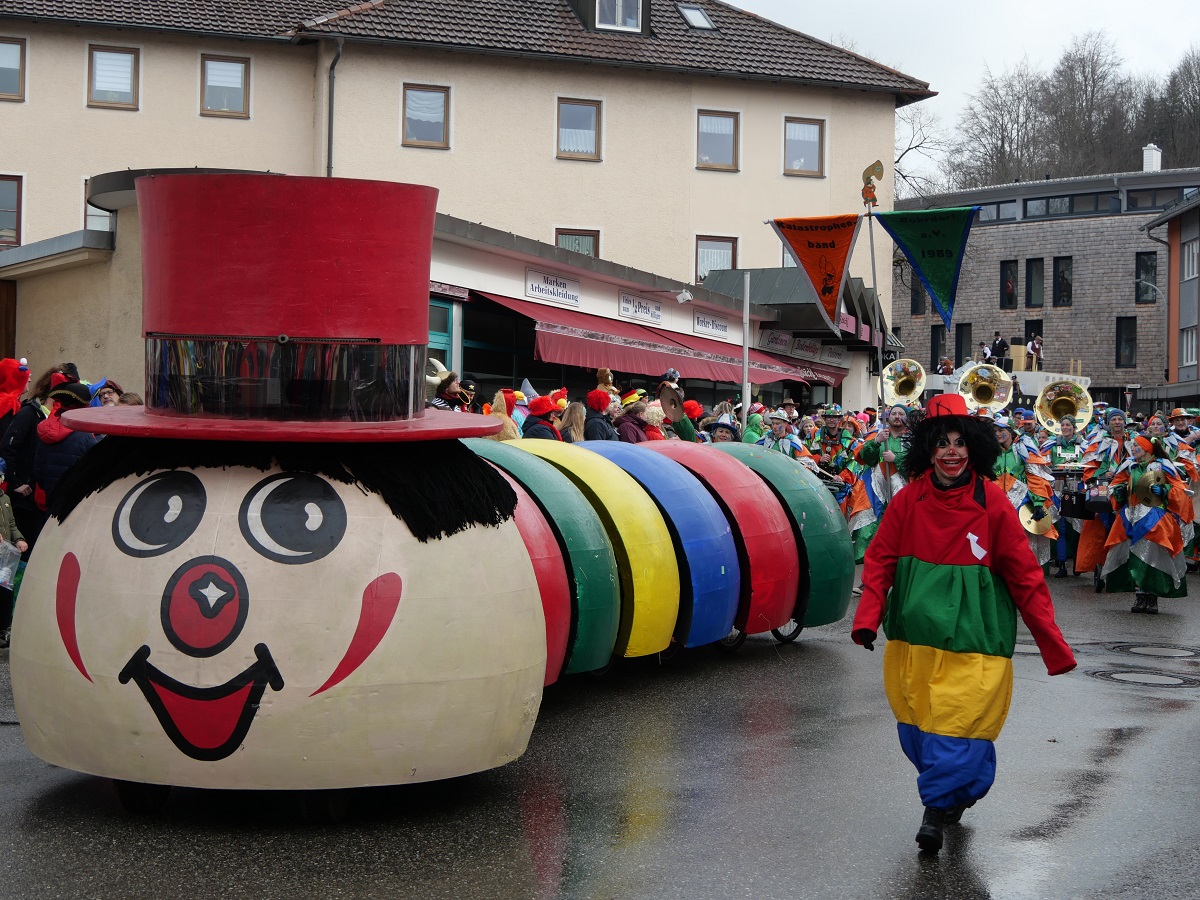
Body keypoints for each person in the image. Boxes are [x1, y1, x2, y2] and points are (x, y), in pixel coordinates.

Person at [851, 392, 1076, 854]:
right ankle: (953, 792)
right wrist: (868, 619)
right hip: (915, 640)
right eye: (941, 444)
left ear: (973, 448)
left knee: (959, 724)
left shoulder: (993, 502)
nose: (951, 452)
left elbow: (1025, 575)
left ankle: (934, 810)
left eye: (959, 443)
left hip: (978, 637)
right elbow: (880, 560)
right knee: (919, 730)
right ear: (928, 450)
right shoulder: (909, 499)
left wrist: (1052, 644)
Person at [1102, 435, 1188, 613]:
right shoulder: (1129, 466)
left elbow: (1179, 489)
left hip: (1154, 516)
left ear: (1148, 449)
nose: (1133, 449)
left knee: (1152, 555)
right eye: (1132, 446)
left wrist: (1164, 490)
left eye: (1137, 446)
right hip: (1131, 515)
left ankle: (1152, 597)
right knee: (1133, 555)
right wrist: (1118, 492)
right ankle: (1139, 596)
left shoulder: (1163, 466)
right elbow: (1115, 485)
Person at [848, 404, 912, 565]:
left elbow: (917, 464)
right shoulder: (877, 435)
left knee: (899, 532)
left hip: (902, 492)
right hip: (874, 491)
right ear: (888, 417)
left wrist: (896, 458)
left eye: (901, 414)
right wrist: (876, 442)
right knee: (866, 531)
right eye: (894, 413)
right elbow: (864, 457)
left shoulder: (912, 440)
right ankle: (868, 572)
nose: (897, 416)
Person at [33, 380, 99, 504]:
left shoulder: (46, 430)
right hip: (75, 504)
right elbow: (94, 473)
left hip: (51, 500)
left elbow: (38, 471)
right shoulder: (86, 436)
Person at [1042, 415, 1086, 577]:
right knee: (1060, 526)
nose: (1065, 427)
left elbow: (1090, 463)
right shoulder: (1051, 445)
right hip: (1058, 487)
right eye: (1063, 425)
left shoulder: (1084, 446)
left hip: (1077, 487)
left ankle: (1077, 561)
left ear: (1074, 427)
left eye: (1068, 425)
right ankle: (1061, 564)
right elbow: (1044, 465)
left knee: (1078, 527)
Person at [0, 470, 28, 649]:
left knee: (5, 591)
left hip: (4, 556)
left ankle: (4, 628)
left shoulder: (5, 499)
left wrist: (19, 539)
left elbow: (11, 525)